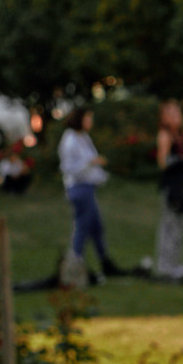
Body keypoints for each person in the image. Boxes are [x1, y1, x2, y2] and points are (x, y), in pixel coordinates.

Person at [57, 105, 121, 280]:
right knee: (82, 227)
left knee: (96, 227)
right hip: (79, 188)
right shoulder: (70, 139)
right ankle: (74, 265)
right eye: (88, 118)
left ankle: (104, 261)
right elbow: (70, 168)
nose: (90, 122)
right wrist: (91, 162)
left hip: (88, 187)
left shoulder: (82, 137)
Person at [153, 99, 183, 280]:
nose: (176, 117)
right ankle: (165, 266)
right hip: (172, 187)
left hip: (181, 185)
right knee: (169, 226)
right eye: (171, 114)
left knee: (179, 225)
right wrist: (182, 164)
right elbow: (163, 162)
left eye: (177, 113)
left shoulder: (177, 136)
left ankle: (175, 263)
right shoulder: (165, 136)